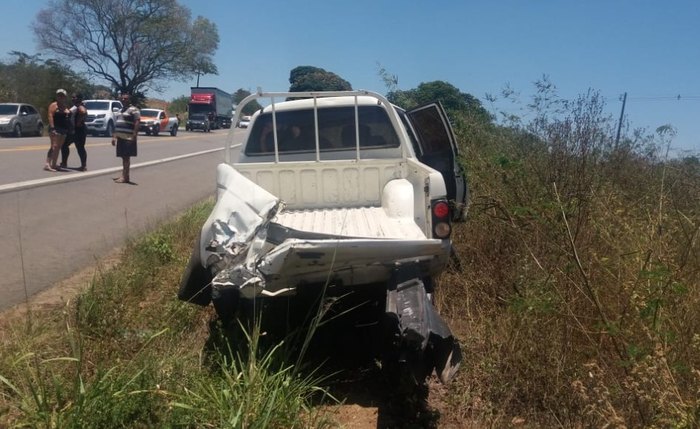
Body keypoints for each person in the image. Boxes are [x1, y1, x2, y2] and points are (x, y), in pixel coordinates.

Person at [111, 92, 140, 183]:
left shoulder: (134, 109)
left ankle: (126, 177)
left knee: (126, 157)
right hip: (120, 137)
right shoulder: (120, 110)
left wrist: (134, 135)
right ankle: (124, 175)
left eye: (126, 98)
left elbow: (137, 122)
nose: (123, 100)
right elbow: (117, 123)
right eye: (122, 98)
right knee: (123, 157)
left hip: (128, 137)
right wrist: (114, 136)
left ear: (129, 100)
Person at [44, 89, 71, 171]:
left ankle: (54, 164)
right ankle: (47, 164)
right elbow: (50, 116)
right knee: (54, 146)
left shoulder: (65, 106)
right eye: (59, 95)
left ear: (65, 97)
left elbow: (68, 115)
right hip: (55, 128)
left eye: (62, 95)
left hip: (63, 129)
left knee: (59, 147)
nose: (60, 97)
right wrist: (52, 128)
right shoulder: (54, 105)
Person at [60, 93, 88, 171]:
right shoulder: (75, 106)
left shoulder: (80, 106)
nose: (72, 99)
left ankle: (65, 163)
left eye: (74, 97)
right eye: (72, 97)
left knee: (67, 145)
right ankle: (83, 165)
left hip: (78, 130)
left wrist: (78, 122)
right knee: (76, 147)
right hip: (76, 130)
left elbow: (83, 112)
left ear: (79, 98)